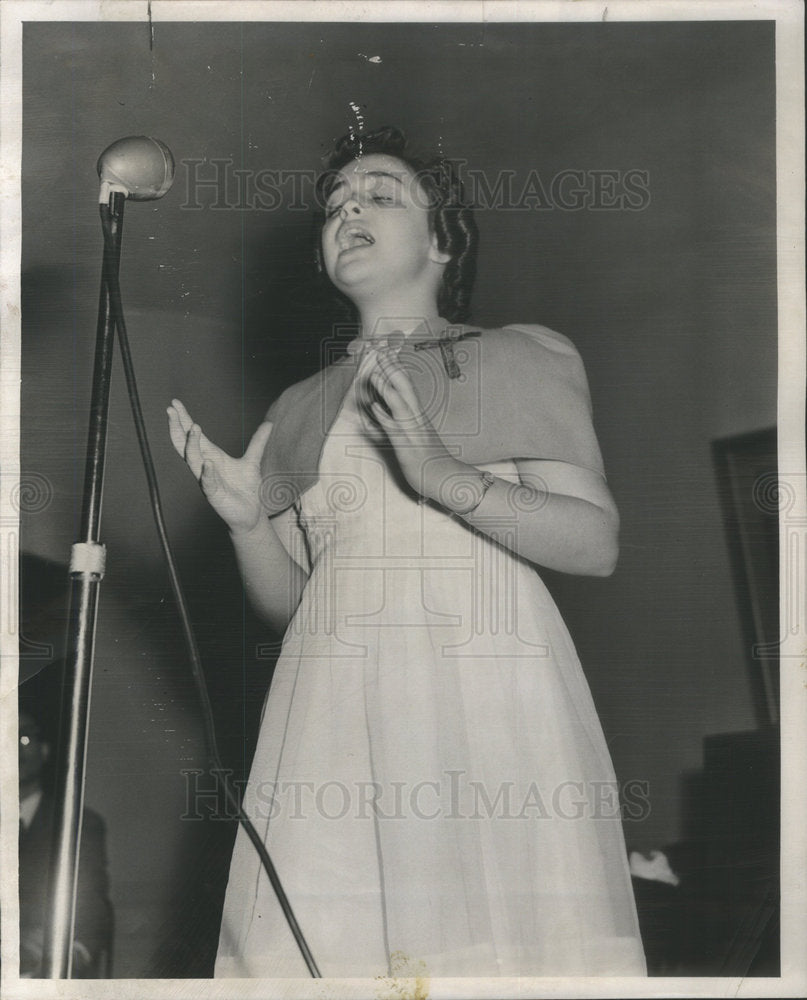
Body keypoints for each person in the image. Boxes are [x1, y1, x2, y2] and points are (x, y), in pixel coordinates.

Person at [168, 125, 646, 978]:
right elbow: (294, 604)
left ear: (441, 238)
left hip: (478, 683)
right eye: (336, 205)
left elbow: (594, 542)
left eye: (380, 194)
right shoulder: (298, 403)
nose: (348, 210)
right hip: (333, 704)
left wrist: (439, 474)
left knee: (483, 943)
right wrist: (246, 523)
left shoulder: (513, 353)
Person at [18, 703, 113, 977]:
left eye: (24, 738)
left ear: (44, 750)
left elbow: (92, 907)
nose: (11, 749)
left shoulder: (78, 825)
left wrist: (66, 954)